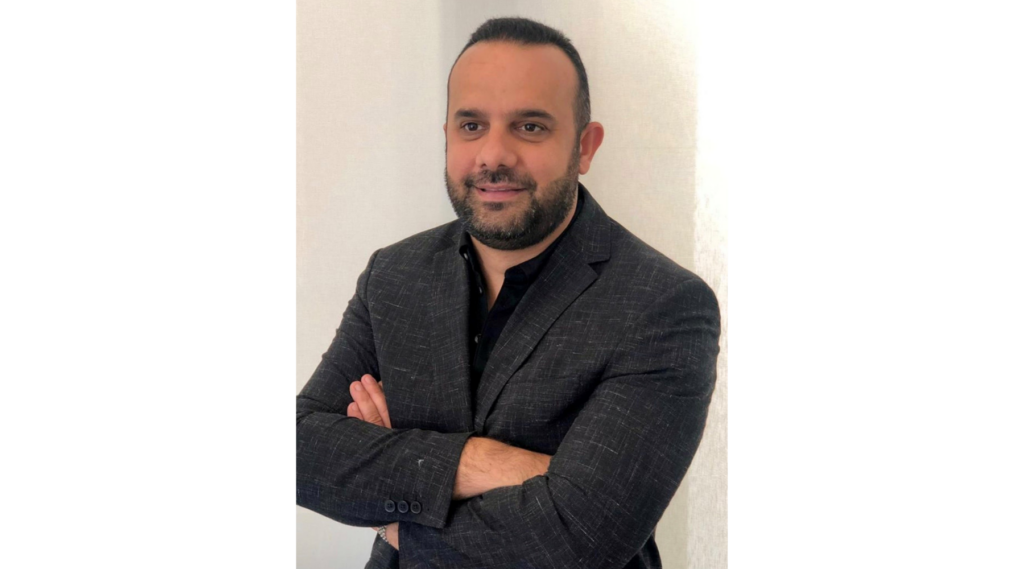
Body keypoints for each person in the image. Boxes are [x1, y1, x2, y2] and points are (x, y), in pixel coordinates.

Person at [297, 17, 720, 569]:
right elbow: (299, 449)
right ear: (447, 135)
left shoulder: (663, 305)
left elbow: (577, 538)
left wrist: (390, 503)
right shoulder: (394, 275)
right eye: (472, 125)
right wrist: (481, 461)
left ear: (585, 146)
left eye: (530, 126)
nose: (493, 155)